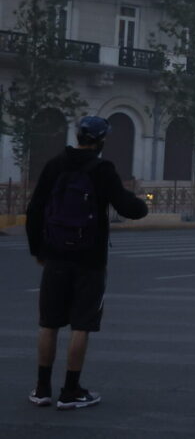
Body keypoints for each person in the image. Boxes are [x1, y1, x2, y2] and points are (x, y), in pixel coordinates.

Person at [25, 116, 148, 409]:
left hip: (54, 256)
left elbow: (35, 210)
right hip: (89, 260)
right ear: (101, 141)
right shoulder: (102, 169)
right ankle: (71, 391)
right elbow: (127, 207)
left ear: (78, 135)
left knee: (49, 324)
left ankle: (42, 389)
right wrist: (143, 204)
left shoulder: (55, 164)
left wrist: (38, 251)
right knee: (81, 325)